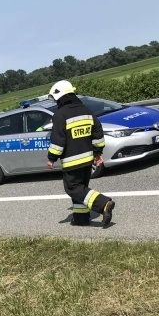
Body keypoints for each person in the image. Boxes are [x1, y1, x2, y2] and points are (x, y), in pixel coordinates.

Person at [45, 80, 115, 228]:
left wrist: (51, 158)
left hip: (72, 161)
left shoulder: (60, 115)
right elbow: (98, 133)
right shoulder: (87, 111)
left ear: (60, 97)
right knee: (81, 190)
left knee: (72, 188)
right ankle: (80, 219)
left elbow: (58, 140)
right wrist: (97, 153)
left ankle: (103, 203)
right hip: (88, 159)